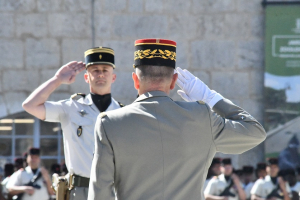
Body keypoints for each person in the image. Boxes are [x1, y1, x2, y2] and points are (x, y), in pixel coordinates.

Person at [87, 38, 266, 200]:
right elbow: (255, 132)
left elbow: (100, 192)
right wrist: (211, 99)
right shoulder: (202, 116)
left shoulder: (109, 123)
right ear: (174, 81)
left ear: (135, 80)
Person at [22, 47, 123, 200]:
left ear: (113, 77)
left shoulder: (123, 112)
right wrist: (57, 79)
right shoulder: (71, 108)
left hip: (113, 191)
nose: (100, 74)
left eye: (105, 70)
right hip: (80, 191)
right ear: (86, 77)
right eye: (95, 70)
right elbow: (30, 106)